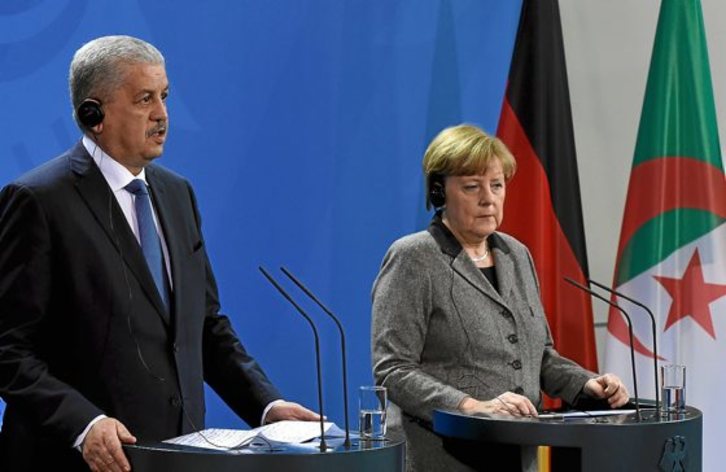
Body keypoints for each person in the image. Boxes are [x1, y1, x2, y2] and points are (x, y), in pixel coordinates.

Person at [0, 35, 318, 471]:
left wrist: (266, 405)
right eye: (144, 99)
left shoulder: (177, 194)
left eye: (164, 96)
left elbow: (203, 326)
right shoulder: (39, 200)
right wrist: (83, 424)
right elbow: (8, 348)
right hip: (77, 461)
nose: (162, 114)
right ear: (94, 114)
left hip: (175, 455)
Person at [371, 124, 629, 472]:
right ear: (439, 191)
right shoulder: (414, 257)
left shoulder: (515, 254)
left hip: (517, 454)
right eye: (472, 187)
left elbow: (539, 357)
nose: (488, 198)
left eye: (496, 185)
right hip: (442, 457)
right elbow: (392, 369)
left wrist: (585, 383)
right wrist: (469, 406)